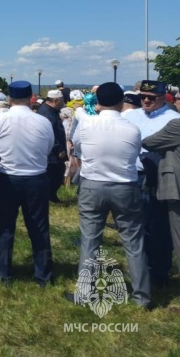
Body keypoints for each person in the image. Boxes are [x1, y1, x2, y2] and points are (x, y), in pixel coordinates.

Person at [68, 82, 151, 308]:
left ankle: (85, 292)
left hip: (93, 184)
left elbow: (77, 146)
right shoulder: (132, 128)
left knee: (90, 240)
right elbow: (134, 153)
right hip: (125, 185)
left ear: (98, 102)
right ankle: (142, 296)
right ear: (121, 102)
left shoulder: (87, 126)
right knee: (134, 241)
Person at [0, 81, 55, 287]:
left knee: (5, 226)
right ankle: (43, 275)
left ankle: (3, 273)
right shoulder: (42, 121)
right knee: (39, 227)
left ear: (9, 98)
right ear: (31, 97)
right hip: (36, 177)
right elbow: (48, 146)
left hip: (6, 177)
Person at [122, 79, 180, 287]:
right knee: (134, 225)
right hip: (131, 175)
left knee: (158, 225)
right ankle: (140, 268)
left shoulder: (172, 119)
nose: (146, 101)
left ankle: (159, 271)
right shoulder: (130, 116)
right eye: (142, 97)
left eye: (151, 98)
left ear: (163, 98)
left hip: (156, 178)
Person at [38, 89, 68, 203]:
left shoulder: (49, 111)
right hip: (52, 152)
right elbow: (49, 133)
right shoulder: (48, 114)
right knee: (55, 175)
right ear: (56, 101)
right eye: (62, 101)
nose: (63, 103)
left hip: (52, 150)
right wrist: (58, 149)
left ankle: (51, 196)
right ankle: (49, 196)